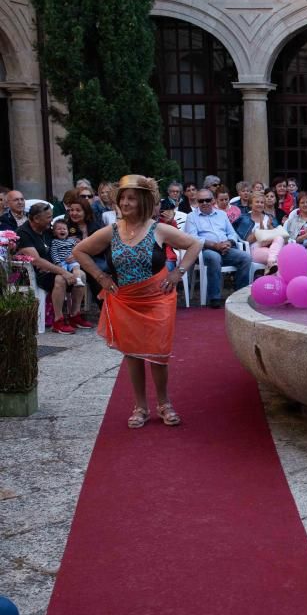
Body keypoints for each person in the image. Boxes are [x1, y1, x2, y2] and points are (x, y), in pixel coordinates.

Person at [74, 175, 202, 428]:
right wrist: (100, 276)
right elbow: (79, 251)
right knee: (132, 354)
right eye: (122, 198)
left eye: (131, 198)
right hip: (126, 300)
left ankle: (164, 404)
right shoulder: (111, 231)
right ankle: (140, 407)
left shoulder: (159, 229)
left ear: (144, 201)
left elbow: (195, 244)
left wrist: (179, 272)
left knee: (159, 353)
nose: (125, 202)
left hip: (158, 298)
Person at [16, 203, 89, 334]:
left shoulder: (47, 230)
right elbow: (36, 261)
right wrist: (64, 272)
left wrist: (74, 248)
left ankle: (74, 315)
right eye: (49, 217)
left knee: (81, 275)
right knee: (61, 279)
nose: (52, 220)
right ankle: (58, 320)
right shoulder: (24, 232)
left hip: (56, 267)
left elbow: (63, 239)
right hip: (35, 273)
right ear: (37, 219)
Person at [183, 188, 252, 308]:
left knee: (246, 257)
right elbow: (193, 239)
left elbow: (232, 233)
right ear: (197, 202)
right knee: (214, 257)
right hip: (204, 250)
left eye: (207, 200)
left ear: (213, 201)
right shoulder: (191, 217)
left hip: (225, 248)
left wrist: (229, 243)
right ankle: (214, 297)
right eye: (201, 201)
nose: (204, 203)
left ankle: (240, 294)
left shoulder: (221, 214)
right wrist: (215, 246)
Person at [240, 193, 286, 274]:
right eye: (257, 202)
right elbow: (245, 241)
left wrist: (270, 226)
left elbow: (278, 235)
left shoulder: (269, 218)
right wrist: (258, 233)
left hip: (271, 247)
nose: (260, 204)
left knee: (279, 238)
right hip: (254, 248)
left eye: (262, 202)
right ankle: (277, 281)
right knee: (281, 258)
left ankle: (271, 263)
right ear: (251, 204)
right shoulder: (245, 218)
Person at [50, 219, 88, 292]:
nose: (62, 230)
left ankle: (78, 280)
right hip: (62, 262)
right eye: (59, 229)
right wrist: (57, 263)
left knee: (76, 268)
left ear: (68, 232)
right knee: (62, 273)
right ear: (54, 233)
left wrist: (75, 254)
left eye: (64, 229)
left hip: (72, 261)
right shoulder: (54, 242)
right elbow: (54, 253)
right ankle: (66, 288)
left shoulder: (71, 241)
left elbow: (77, 249)